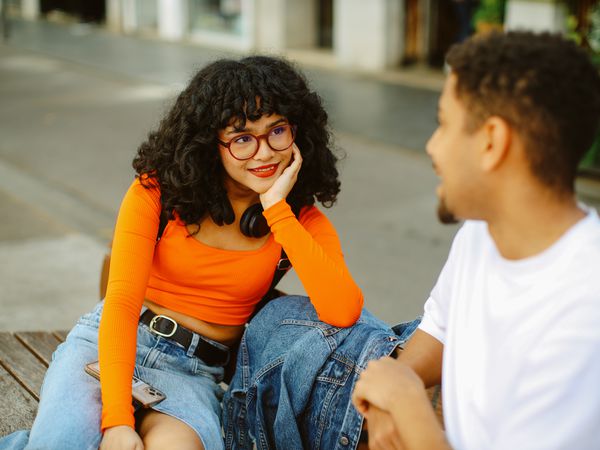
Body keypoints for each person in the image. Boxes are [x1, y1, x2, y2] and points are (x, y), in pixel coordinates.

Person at [0, 56, 363, 450]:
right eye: (242, 138)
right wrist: (119, 421)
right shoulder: (157, 191)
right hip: (113, 344)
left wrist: (276, 208)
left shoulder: (300, 221)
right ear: (211, 143)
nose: (264, 153)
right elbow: (120, 302)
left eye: (277, 131)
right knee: (61, 445)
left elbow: (342, 309)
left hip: (194, 372)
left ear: (298, 132)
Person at [352, 31, 600, 450]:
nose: (432, 146)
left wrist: (406, 403)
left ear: (491, 141)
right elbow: (440, 331)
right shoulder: (482, 231)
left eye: (444, 124)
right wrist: (388, 396)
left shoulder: (584, 312)